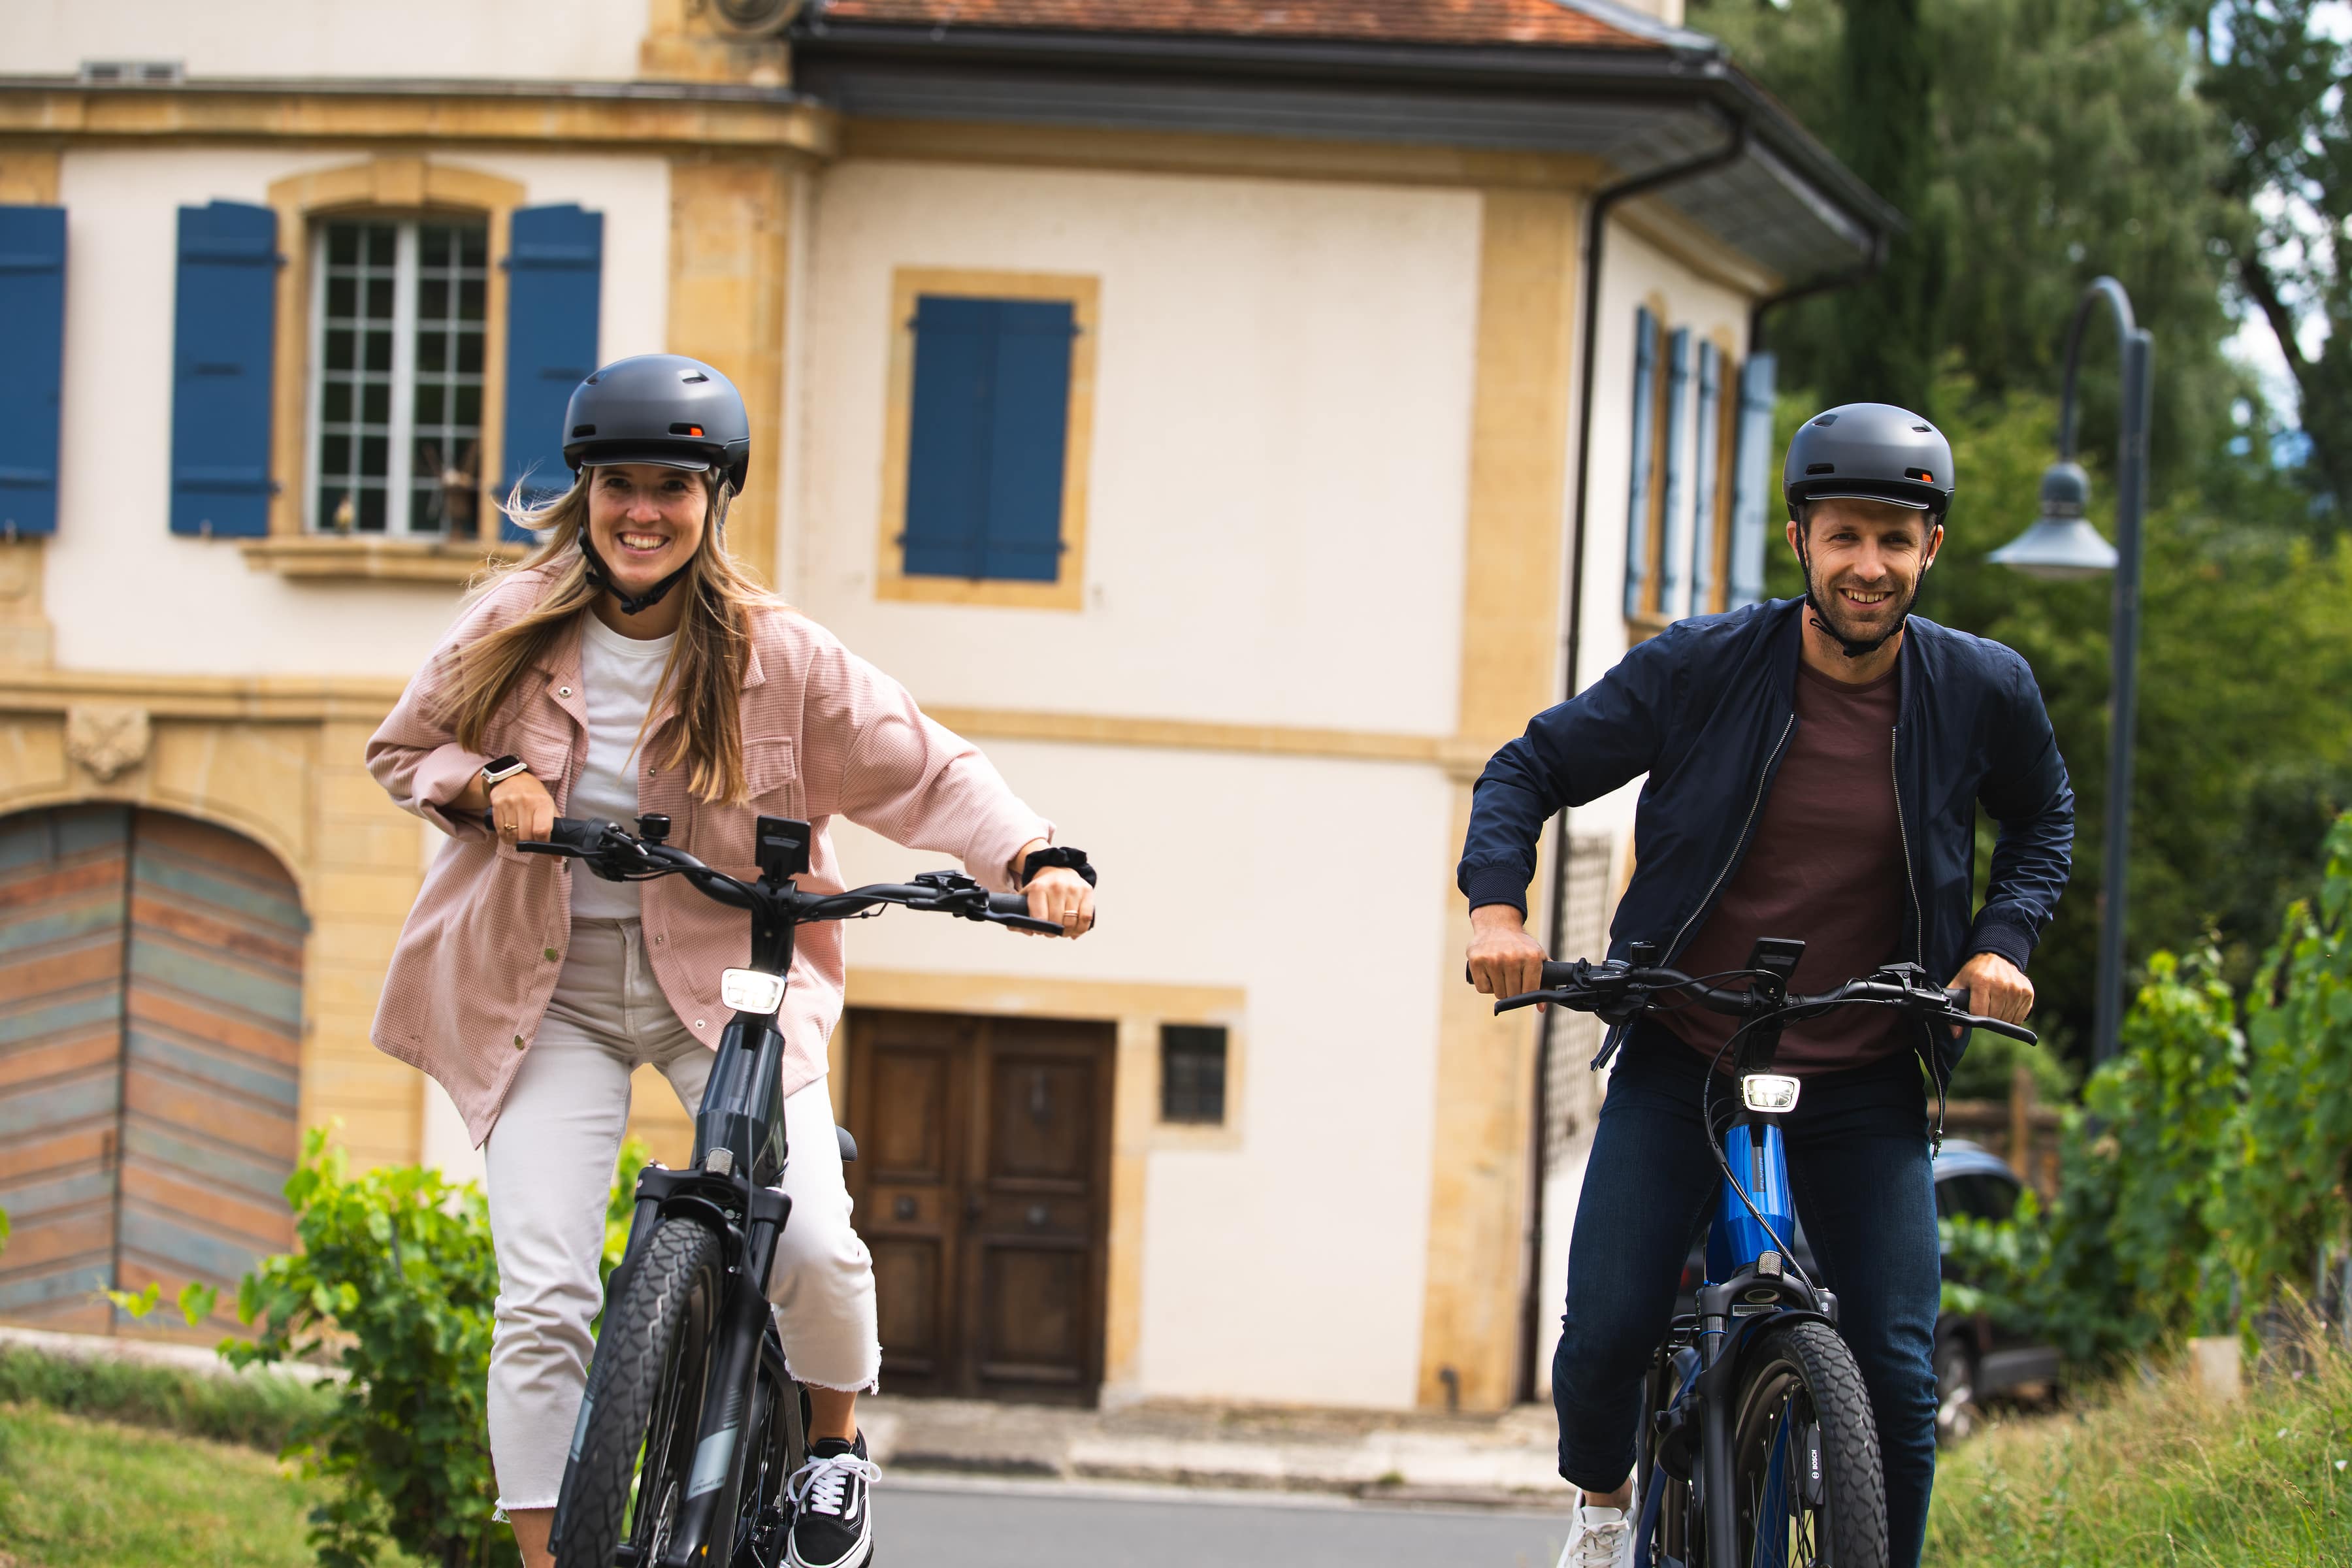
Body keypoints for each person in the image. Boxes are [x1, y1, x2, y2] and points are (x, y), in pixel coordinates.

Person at [367, 353, 1098, 1568]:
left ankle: (831, 1451)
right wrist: (484, 784)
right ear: (584, 493)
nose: (642, 511)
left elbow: (926, 769)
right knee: (543, 1294)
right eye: (618, 485)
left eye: (673, 486)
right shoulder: (507, 622)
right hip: (542, 994)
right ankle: (550, 1556)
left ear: (715, 501)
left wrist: (1033, 854)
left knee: (813, 1238)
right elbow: (405, 751)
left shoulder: (779, 656)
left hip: (729, 994)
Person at [1459, 403, 2073, 1568]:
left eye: (1896, 540)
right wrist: (1500, 908)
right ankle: (1599, 1507)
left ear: (1931, 549)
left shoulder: (1980, 687)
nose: (1869, 566)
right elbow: (1531, 765)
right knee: (1607, 1333)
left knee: (1895, 1367)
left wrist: (2003, 943)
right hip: (1688, 1040)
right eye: (1845, 537)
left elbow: (2044, 820)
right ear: (1801, 540)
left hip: (1866, 1064)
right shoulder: (1701, 668)